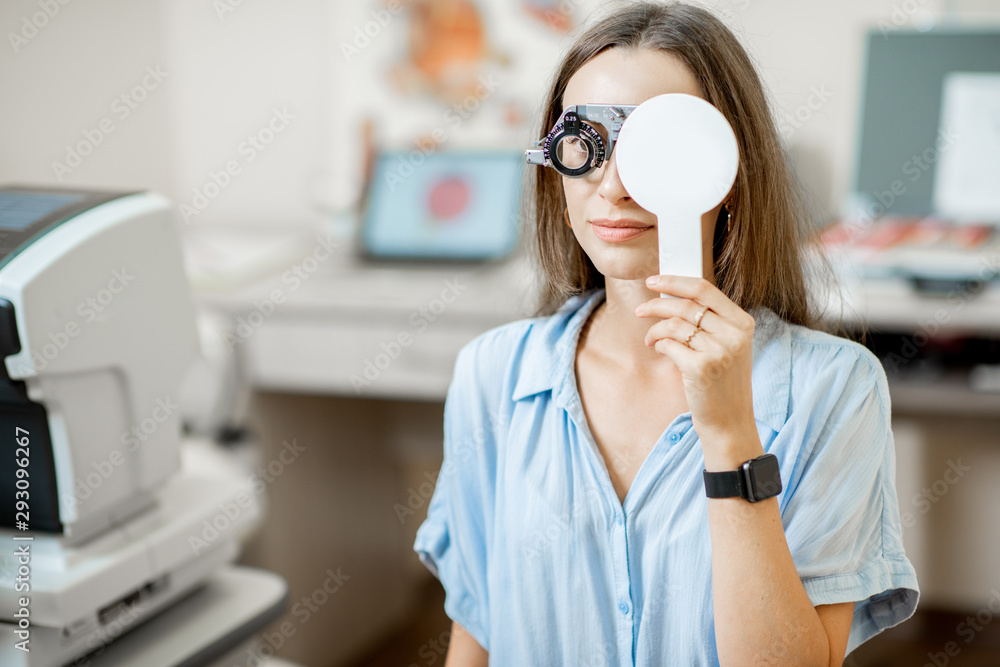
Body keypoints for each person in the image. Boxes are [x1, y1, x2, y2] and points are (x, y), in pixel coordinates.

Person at [413, 2, 919, 665]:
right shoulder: (492, 376)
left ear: (732, 170)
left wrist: (730, 433)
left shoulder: (834, 390)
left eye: (657, 149)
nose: (614, 186)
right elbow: (476, 635)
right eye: (586, 143)